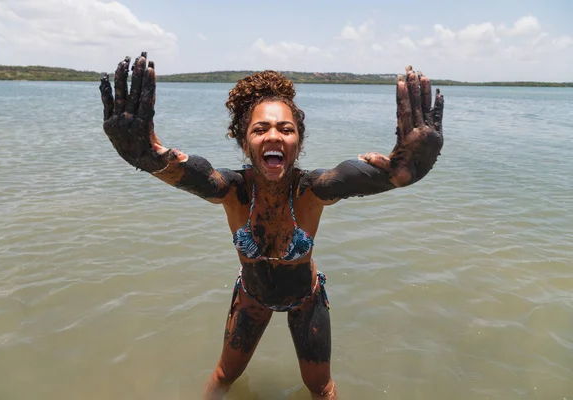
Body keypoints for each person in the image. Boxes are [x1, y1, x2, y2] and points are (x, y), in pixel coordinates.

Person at [99, 52, 444, 399]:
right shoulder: (232, 190)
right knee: (222, 376)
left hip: (305, 300)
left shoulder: (313, 189)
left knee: (320, 387)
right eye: (260, 129)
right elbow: (195, 174)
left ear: (299, 141)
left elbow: (352, 178)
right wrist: (149, 159)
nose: (274, 136)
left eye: (286, 128)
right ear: (244, 141)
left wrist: (402, 174)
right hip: (252, 299)